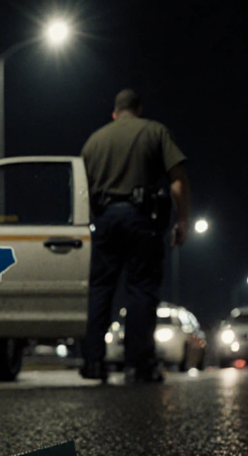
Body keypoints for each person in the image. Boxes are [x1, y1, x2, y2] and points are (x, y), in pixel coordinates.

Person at [78, 88, 191, 383]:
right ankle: (138, 364)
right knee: (141, 289)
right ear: (138, 109)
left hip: (105, 219)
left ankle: (92, 362)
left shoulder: (94, 141)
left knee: (101, 289)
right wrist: (182, 220)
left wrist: (94, 219)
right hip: (143, 218)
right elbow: (178, 181)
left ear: (114, 113)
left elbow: (81, 188)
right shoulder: (155, 132)